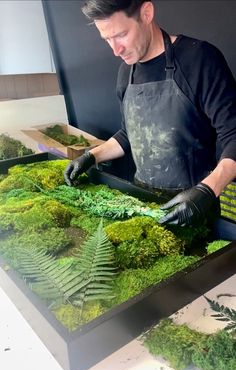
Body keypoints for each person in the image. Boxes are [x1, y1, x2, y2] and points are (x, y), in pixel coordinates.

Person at [64, 0, 236, 239]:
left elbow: (234, 135)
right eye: (106, 39)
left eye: (121, 35)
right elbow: (131, 133)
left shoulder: (199, 59)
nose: (116, 50)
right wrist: (91, 156)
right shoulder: (126, 72)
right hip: (144, 204)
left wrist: (207, 191)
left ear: (146, 13)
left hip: (195, 207)